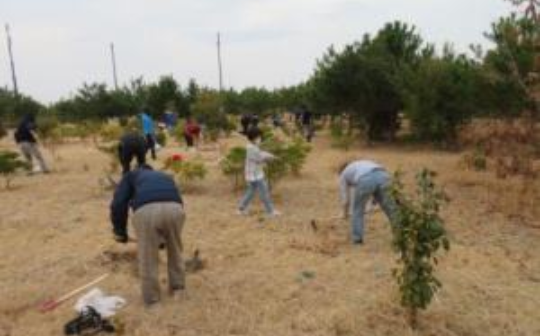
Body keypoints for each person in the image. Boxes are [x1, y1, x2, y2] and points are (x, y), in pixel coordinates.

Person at [110, 164, 186, 306]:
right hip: (176, 209)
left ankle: (153, 300)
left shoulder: (131, 176)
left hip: (146, 211)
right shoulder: (163, 175)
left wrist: (120, 232)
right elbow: (173, 198)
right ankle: (178, 289)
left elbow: (118, 203)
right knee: (175, 250)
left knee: (147, 257)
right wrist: (163, 239)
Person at [339, 160, 396, 244]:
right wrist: (372, 205)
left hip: (366, 178)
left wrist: (344, 213)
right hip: (384, 175)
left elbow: (345, 200)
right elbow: (376, 190)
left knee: (357, 210)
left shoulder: (343, 175)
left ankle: (357, 239)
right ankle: (401, 235)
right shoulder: (360, 164)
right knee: (391, 208)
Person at [237, 128, 281, 217]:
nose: (260, 139)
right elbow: (260, 157)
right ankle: (270, 211)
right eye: (259, 137)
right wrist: (271, 158)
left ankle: (241, 209)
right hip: (255, 176)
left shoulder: (252, 146)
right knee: (264, 192)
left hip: (253, 175)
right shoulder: (251, 148)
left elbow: (261, 153)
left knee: (250, 192)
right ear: (254, 138)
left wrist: (271, 155)